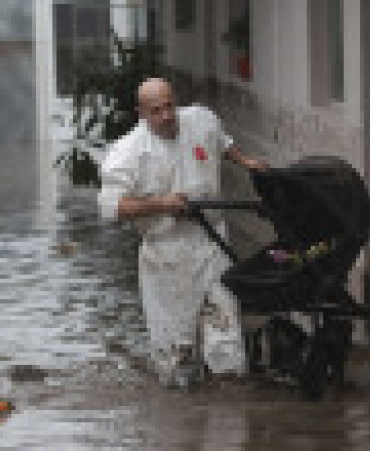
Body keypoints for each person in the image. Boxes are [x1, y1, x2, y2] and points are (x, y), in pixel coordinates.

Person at [98, 78, 267, 388]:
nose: (166, 116)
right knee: (176, 351)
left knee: (225, 336)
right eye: (156, 111)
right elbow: (112, 207)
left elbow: (222, 142)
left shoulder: (201, 120)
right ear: (141, 113)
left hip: (211, 242)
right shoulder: (128, 151)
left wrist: (246, 162)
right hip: (166, 255)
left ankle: (228, 415)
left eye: (169, 107)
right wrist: (162, 204)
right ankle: (179, 422)